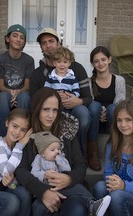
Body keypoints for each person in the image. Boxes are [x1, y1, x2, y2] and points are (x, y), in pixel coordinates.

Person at [15, 87, 110, 216]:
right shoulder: (27, 133)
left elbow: (80, 165)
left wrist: (69, 178)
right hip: (39, 192)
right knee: (40, 209)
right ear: (37, 109)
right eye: (46, 109)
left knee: (77, 208)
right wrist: (43, 192)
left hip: (69, 190)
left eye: (55, 110)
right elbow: (20, 170)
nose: (51, 115)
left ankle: (91, 206)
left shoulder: (67, 131)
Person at [29, 27, 92, 155]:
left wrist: (77, 100)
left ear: (58, 43)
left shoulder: (76, 68)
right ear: (41, 47)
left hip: (73, 107)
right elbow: (34, 99)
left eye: (51, 41)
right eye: (44, 43)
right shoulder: (37, 73)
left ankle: (79, 153)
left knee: (84, 114)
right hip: (51, 110)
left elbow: (88, 97)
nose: (48, 45)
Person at [30, 131, 111, 216]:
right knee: (38, 208)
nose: (57, 152)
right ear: (42, 152)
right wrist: (44, 174)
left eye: (58, 149)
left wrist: (60, 160)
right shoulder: (38, 159)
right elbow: (33, 173)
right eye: (52, 150)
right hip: (45, 188)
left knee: (78, 188)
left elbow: (68, 170)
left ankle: (92, 205)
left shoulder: (61, 157)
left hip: (61, 187)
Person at [87, 46, 126, 171]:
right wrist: (100, 113)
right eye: (96, 61)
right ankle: (93, 153)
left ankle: (117, 150)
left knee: (113, 108)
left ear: (109, 60)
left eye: (103, 59)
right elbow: (88, 101)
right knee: (94, 106)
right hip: (95, 123)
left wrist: (106, 111)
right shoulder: (88, 82)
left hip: (112, 121)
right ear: (92, 64)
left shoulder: (119, 80)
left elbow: (121, 102)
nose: (100, 63)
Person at [0, 24, 35, 138]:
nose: (18, 39)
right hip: (6, 93)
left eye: (22, 37)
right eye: (15, 36)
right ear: (7, 39)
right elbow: (0, 86)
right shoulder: (0, 59)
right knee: (2, 98)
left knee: (25, 97)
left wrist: (17, 93)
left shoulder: (28, 60)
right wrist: (11, 93)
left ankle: (24, 137)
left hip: (22, 93)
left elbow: (27, 86)